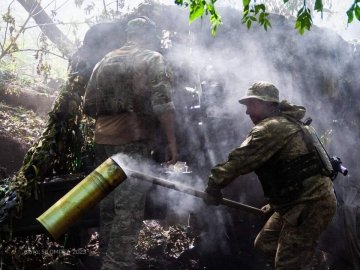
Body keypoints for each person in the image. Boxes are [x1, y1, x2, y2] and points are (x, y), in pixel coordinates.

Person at [204, 81, 337, 270]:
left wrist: (213, 186)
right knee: (265, 244)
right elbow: (294, 172)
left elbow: (239, 162)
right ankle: (304, 255)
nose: (247, 112)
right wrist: (276, 205)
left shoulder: (270, 128)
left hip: (310, 203)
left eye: (252, 104)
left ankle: (304, 257)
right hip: (295, 201)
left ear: (269, 104)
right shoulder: (287, 123)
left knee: (286, 265)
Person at [83, 17, 177, 269]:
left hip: (103, 140)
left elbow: (88, 106)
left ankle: (107, 260)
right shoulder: (152, 59)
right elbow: (163, 105)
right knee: (129, 207)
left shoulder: (103, 62)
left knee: (109, 205)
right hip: (132, 141)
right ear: (149, 35)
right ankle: (118, 264)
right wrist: (172, 143)